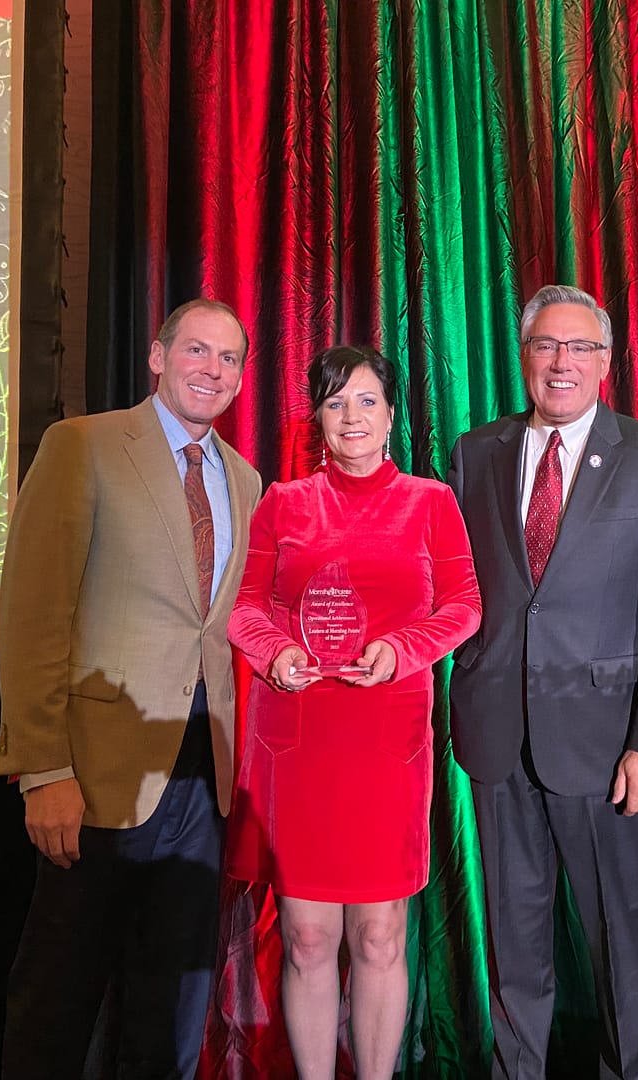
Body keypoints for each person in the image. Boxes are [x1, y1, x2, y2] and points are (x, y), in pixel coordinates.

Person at [0, 299, 263, 1078]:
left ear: (243, 379)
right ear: (157, 355)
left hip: (202, 784)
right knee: (56, 998)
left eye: (228, 359)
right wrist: (44, 769)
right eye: (196, 351)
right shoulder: (84, 445)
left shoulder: (244, 480)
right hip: (95, 776)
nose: (211, 369)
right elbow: (35, 615)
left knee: (170, 1004)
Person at [447, 284, 638, 1080]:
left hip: (605, 747)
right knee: (514, 944)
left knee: (620, 939)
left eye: (579, 348)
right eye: (546, 346)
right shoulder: (473, 452)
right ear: (524, 356)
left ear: (606, 361)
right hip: (496, 738)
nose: (561, 363)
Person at [225, 345, 481, 1080]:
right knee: (307, 937)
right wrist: (274, 653)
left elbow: (465, 606)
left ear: (391, 414)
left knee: (378, 936)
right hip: (301, 742)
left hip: (386, 744)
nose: (352, 416)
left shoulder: (431, 502)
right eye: (337, 403)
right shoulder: (284, 502)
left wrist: (403, 651)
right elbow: (245, 610)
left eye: (367, 400)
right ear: (320, 419)